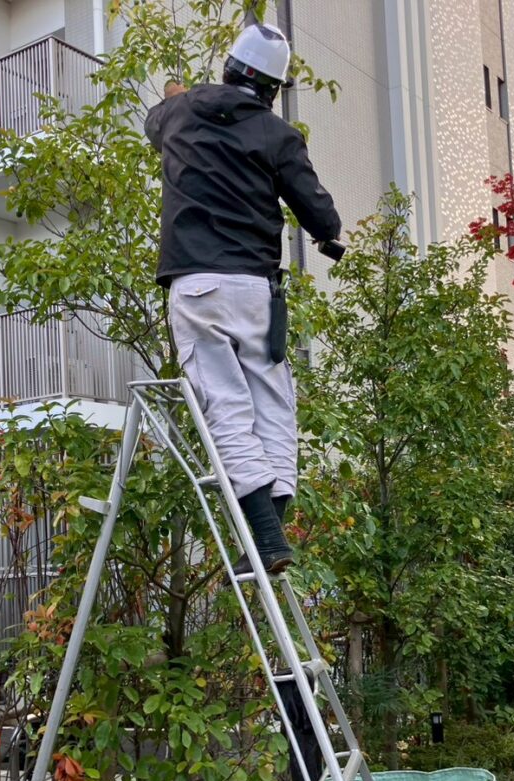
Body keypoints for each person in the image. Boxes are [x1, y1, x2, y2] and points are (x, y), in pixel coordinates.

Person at [146, 21, 342, 574]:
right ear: (273, 89)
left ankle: (264, 534)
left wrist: (177, 97)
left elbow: (153, 122)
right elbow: (319, 212)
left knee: (225, 404)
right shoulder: (277, 134)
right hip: (255, 287)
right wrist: (328, 233)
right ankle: (272, 528)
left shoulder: (179, 114)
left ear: (229, 67)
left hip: (196, 285)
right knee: (273, 403)